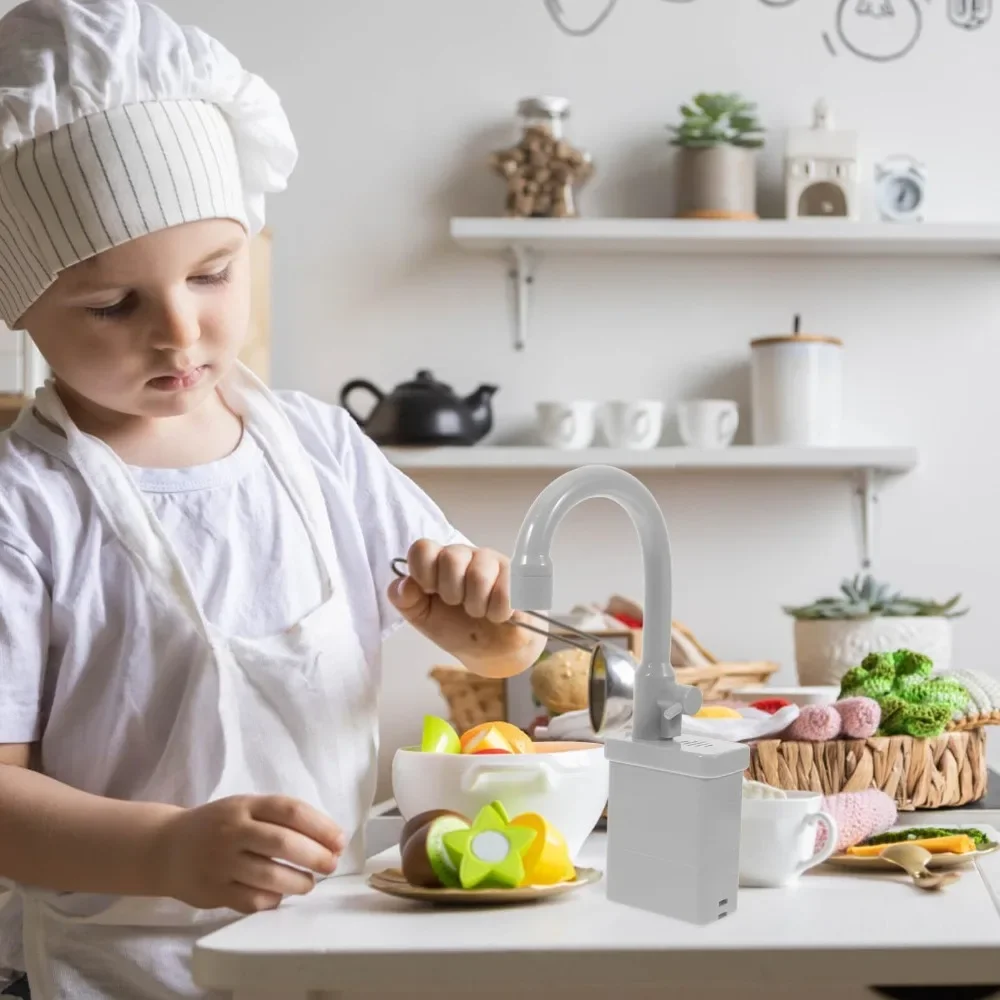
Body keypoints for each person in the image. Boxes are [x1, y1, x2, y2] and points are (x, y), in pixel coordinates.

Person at [0, 1, 547, 997]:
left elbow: (503, 651)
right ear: (20, 303)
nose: (179, 331)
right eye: (113, 302)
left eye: (212, 273)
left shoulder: (317, 447)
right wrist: (167, 852)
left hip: (338, 948)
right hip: (120, 967)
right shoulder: (24, 506)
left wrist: (489, 626)